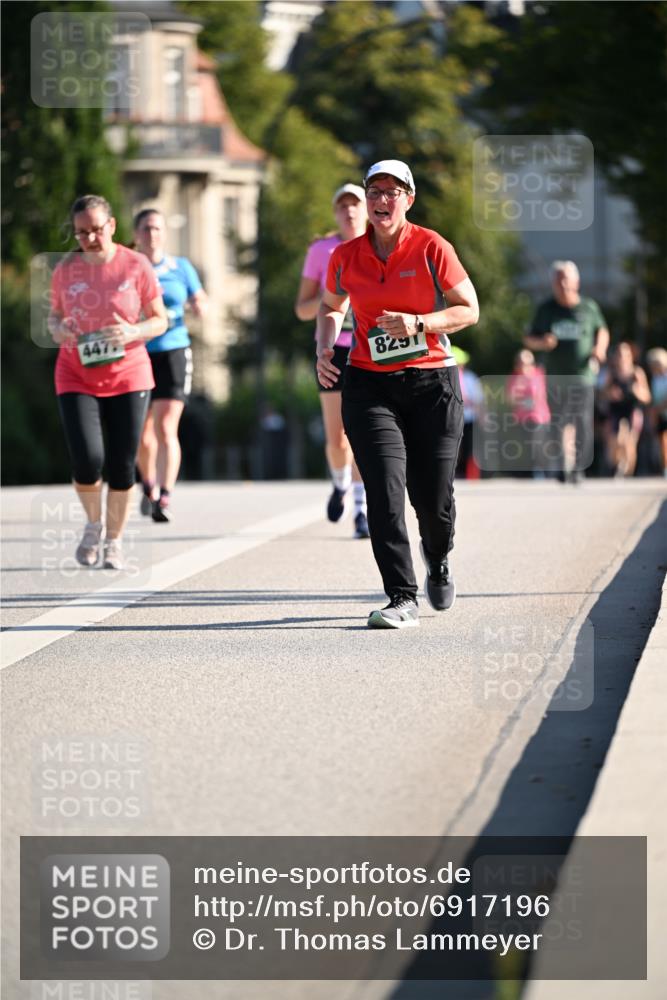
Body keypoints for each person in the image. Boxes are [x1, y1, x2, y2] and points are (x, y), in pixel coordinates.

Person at [316, 160, 479, 629]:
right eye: (374, 191)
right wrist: (326, 346)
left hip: (432, 382)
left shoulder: (431, 247)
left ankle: (439, 556)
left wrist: (421, 322)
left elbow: (469, 309)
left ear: (409, 198)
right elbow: (330, 307)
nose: (381, 200)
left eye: (392, 192)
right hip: (369, 382)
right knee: (385, 492)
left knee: (432, 498)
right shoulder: (345, 255)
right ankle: (401, 597)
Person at [49, 194, 168, 569]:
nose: (90, 239)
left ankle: (114, 540)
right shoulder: (65, 270)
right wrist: (60, 329)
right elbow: (53, 319)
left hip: (130, 374)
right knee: (87, 460)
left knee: (120, 464)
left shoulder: (136, 265)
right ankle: (93, 524)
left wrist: (134, 329)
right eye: (81, 233)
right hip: (75, 373)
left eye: (96, 230)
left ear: (112, 226)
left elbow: (160, 319)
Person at [295, 184, 370, 539]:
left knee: (364, 432)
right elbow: (302, 307)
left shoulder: (379, 245)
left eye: (355, 205)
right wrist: (333, 301)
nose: (349, 212)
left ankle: (360, 510)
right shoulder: (322, 250)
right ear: (335, 213)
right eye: (342, 206)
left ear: (367, 209)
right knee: (337, 437)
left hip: (371, 345)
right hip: (334, 347)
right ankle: (339, 483)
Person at [133, 209, 208, 522]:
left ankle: (164, 497)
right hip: (137, 353)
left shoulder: (181, 267)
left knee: (166, 428)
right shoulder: (129, 267)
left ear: (165, 233)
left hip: (173, 350)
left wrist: (196, 306)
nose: (152, 234)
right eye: (147, 228)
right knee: (141, 431)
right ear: (136, 233)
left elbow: (202, 303)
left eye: (157, 228)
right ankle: (147, 485)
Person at [524, 260, 609, 483]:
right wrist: (542, 343)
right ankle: (562, 466)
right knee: (558, 422)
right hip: (555, 376)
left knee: (581, 420)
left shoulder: (588, 308)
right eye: (558, 280)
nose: (562, 284)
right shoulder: (547, 309)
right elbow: (529, 339)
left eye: (566, 279)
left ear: (576, 282)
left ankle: (579, 467)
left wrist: (599, 349)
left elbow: (602, 330)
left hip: (582, 375)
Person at [600, 341, 651, 477]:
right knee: (615, 441)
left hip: (632, 409)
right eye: (619, 355)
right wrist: (610, 393)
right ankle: (617, 467)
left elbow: (647, 397)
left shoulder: (636, 373)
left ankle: (628, 472)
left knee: (629, 442)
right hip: (616, 409)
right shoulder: (612, 373)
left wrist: (637, 391)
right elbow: (603, 393)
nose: (622, 357)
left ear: (630, 356)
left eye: (625, 354)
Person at [505, 349, 551, 478]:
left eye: (527, 362)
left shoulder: (538, 374)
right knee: (524, 446)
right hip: (521, 418)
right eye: (520, 363)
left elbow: (539, 395)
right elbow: (510, 399)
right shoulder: (514, 377)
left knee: (537, 443)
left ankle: (540, 471)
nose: (523, 366)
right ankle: (528, 472)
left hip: (539, 417)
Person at [646, 347, 667, 477]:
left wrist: (658, 408)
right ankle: (665, 468)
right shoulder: (654, 379)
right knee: (662, 443)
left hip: (663, 411)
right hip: (660, 415)